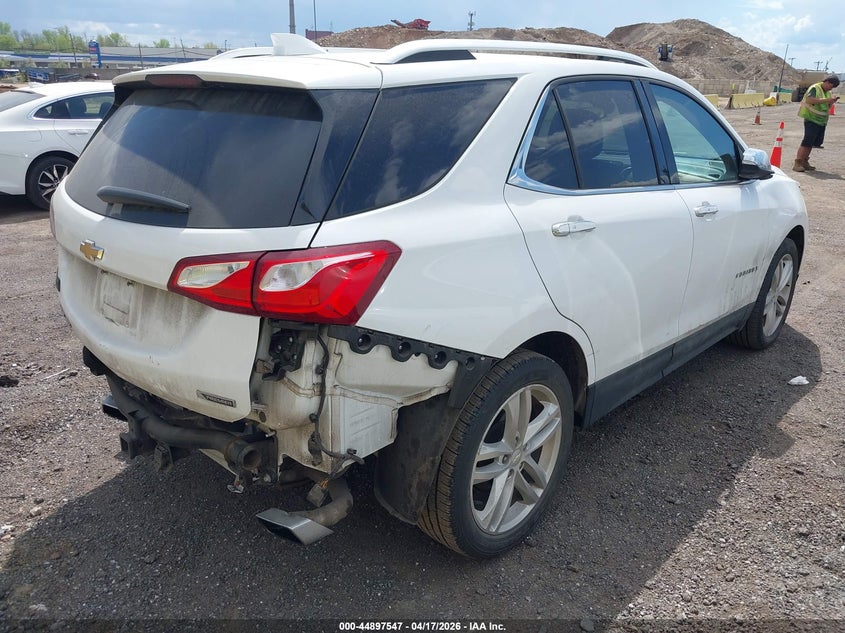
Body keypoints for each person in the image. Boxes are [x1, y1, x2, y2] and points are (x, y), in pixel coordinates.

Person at [793, 75, 840, 172]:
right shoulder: (815, 88)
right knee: (806, 141)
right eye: (831, 86)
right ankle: (798, 163)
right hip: (811, 118)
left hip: (820, 121)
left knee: (811, 143)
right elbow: (810, 100)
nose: (831, 88)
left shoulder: (827, 92)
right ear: (827, 82)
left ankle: (804, 161)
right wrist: (827, 100)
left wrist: (831, 102)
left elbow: (826, 105)